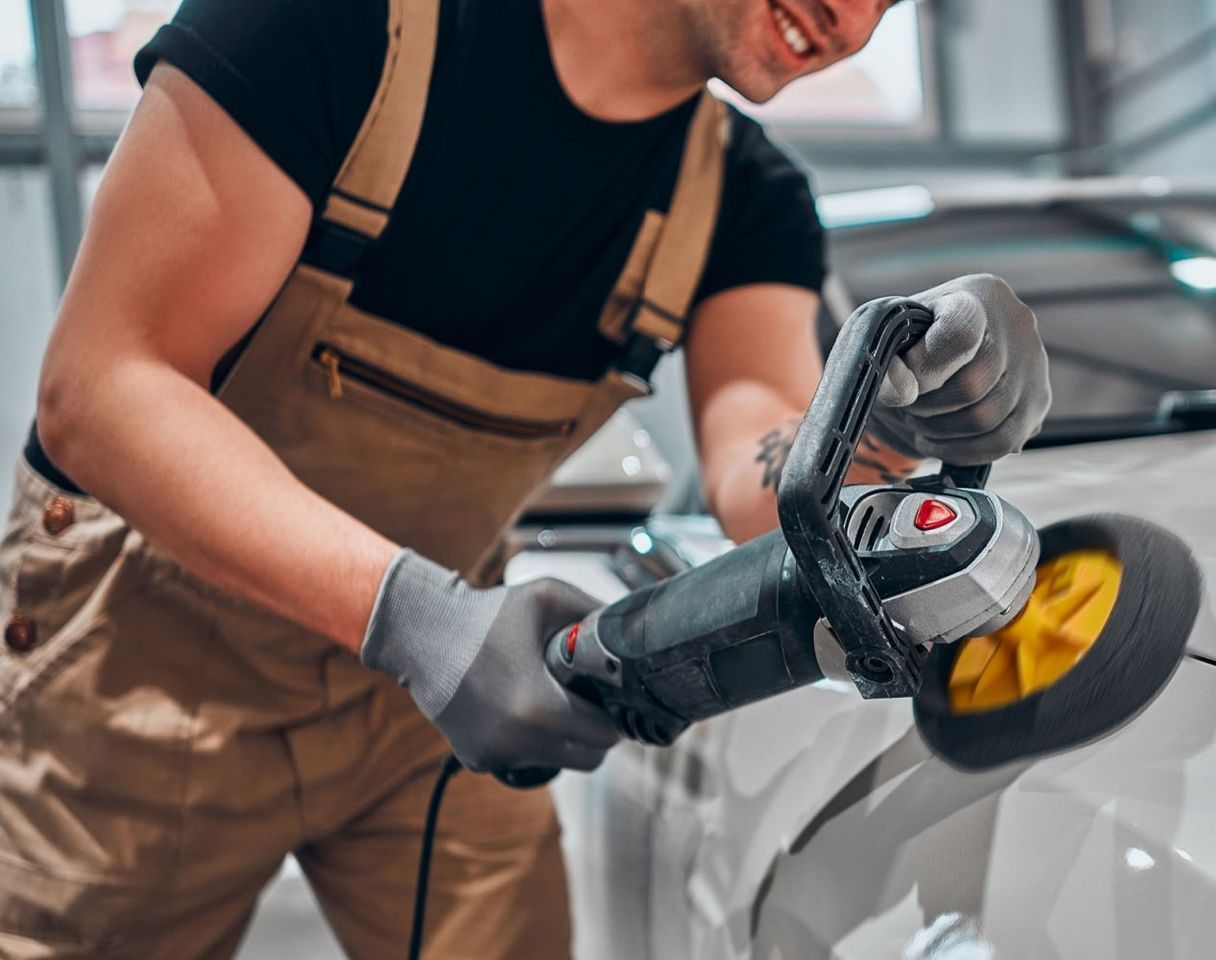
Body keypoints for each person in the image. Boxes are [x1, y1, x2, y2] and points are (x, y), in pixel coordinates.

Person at [0, 0, 1051, 954]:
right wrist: (415, 618)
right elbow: (103, 385)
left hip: (434, 701)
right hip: (143, 668)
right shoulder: (326, 27)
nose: (854, 19)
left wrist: (892, 414)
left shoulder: (744, 198)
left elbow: (759, 467)